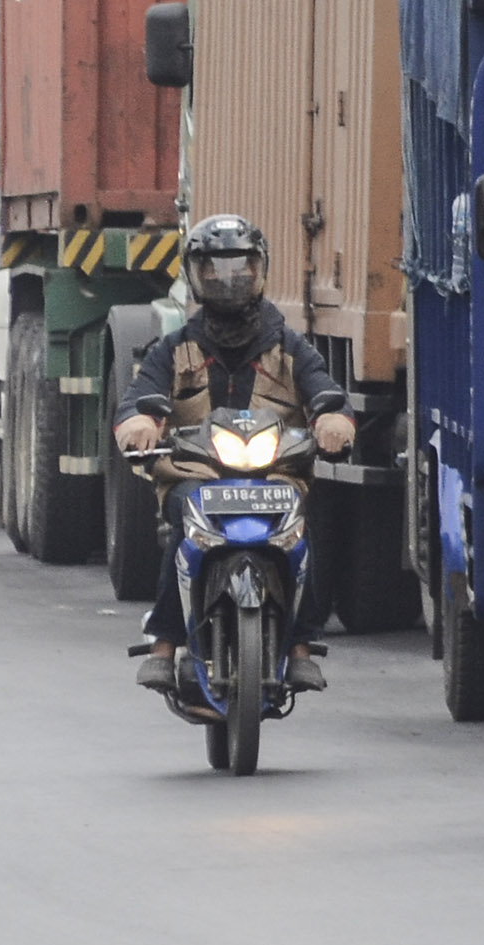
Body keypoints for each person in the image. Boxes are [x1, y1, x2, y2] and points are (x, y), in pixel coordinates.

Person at [110, 214, 359, 694]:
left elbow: (325, 392)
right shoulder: (174, 348)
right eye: (214, 269)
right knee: (186, 532)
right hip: (195, 475)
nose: (228, 280)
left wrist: (333, 420)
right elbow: (139, 398)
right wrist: (139, 423)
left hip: (275, 476)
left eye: (240, 267)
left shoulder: (289, 347)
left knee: (300, 536)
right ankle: (164, 644)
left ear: (260, 270)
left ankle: (301, 647)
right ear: (194, 275)